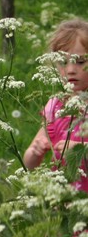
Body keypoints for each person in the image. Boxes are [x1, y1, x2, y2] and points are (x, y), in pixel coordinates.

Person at [23, 18, 88, 192]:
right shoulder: (55, 106)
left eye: (80, 62)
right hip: (62, 198)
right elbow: (30, 165)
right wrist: (34, 152)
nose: (71, 70)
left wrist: (81, 151)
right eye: (63, 62)